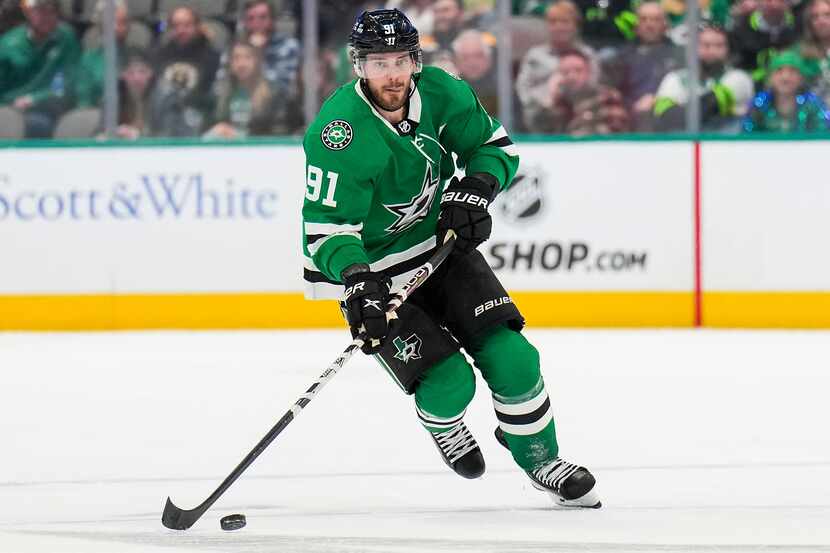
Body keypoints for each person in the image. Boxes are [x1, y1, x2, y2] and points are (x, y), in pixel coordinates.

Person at [301, 8, 601, 508]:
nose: (391, 74)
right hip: (380, 277)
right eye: (378, 63)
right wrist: (356, 279)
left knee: (515, 358)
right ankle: (443, 423)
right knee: (449, 383)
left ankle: (541, 460)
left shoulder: (442, 91)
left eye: (400, 60)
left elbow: (492, 147)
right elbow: (327, 231)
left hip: (441, 251)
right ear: (358, 66)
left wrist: (477, 188)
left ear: (416, 60)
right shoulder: (338, 133)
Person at [515, 0, 599, 132]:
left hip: (582, 121)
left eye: (565, 21)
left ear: (575, 25)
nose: (559, 26)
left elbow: (595, 87)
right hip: (540, 121)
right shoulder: (535, 56)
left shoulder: (587, 55)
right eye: (553, 22)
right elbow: (523, 91)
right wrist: (545, 100)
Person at [0, 0, 79, 137]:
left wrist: (34, 99)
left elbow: (65, 83)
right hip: (9, 109)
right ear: (28, 13)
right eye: (41, 11)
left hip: (48, 109)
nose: (48, 16)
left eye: (52, 11)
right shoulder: (8, 44)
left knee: (37, 124)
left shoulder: (66, 39)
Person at [654, 24, 754, 132]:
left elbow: (706, 108)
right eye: (706, 45)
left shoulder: (739, 79)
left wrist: (680, 108)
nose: (712, 51)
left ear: (728, 50)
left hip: (728, 146)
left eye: (719, 46)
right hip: (683, 145)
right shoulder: (674, 78)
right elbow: (665, 117)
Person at [604, 1, 683, 131]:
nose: (649, 24)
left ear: (665, 25)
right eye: (644, 19)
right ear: (636, 25)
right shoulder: (620, 57)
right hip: (628, 123)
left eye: (655, 19)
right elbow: (612, 92)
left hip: (669, 122)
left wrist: (657, 99)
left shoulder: (680, 56)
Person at [149, 5, 220, 136]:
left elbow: (213, 95)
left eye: (187, 25)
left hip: (200, 124)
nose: (181, 30)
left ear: (198, 27)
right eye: (176, 26)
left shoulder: (212, 56)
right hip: (165, 124)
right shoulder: (160, 55)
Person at [217, 1, 301, 102]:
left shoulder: (288, 46)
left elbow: (284, 87)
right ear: (244, 22)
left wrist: (257, 51)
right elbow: (220, 83)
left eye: (263, 17)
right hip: (238, 103)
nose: (257, 23)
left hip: (275, 107)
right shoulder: (234, 48)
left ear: (272, 20)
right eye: (251, 18)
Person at [205, 41, 290, 138]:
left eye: (247, 58)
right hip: (225, 149)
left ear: (258, 62)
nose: (241, 64)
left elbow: (280, 132)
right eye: (236, 58)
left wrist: (238, 136)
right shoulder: (220, 93)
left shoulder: (274, 94)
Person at [535, 48, 629, 134]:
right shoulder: (555, 102)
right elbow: (541, 133)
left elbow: (619, 130)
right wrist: (552, 96)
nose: (572, 76)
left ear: (588, 72)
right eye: (565, 72)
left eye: (578, 71)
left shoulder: (608, 96)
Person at [742, 50, 830, 131]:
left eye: (792, 71)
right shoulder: (759, 106)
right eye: (779, 71)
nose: (785, 77)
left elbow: (822, 137)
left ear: (801, 78)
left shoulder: (813, 106)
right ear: (769, 78)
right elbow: (747, 138)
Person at [75, 0, 138, 109]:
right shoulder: (89, 60)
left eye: (124, 22)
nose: (122, 28)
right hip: (97, 118)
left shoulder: (137, 57)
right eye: (116, 22)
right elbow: (83, 102)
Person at [729, 0, 799, 84]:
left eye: (781, 1)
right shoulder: (742, 27)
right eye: (768, 0)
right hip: (750, 82)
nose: (774, 5)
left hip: (789, 83)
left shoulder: (798, 27)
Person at [450, 29, 498, 114]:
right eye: (465, 57)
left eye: (478, 56)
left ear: (489, 59)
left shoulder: (502, 90)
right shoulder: (449, 90)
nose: (472, 63)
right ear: (456, 61)